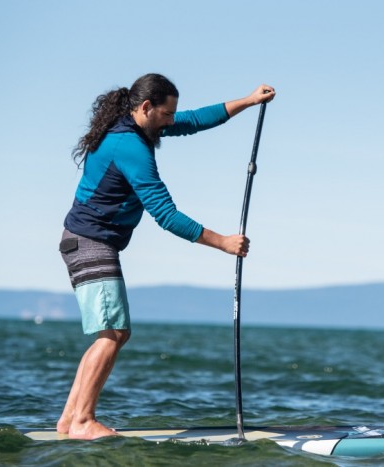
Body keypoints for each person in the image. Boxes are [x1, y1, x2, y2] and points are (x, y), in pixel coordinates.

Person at [57, 73, 275, 440]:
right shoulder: (130, 147)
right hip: (90, 240)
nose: (173, 120)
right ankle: (81, 421)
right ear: (146, 108)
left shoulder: (136, 127)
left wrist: (248, 101)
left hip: (86, 240)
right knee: (112, 333)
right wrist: (222, 242)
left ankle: (69, 420)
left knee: (112, 333)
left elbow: (193, 120)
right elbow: (165, 214)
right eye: (167, 113)